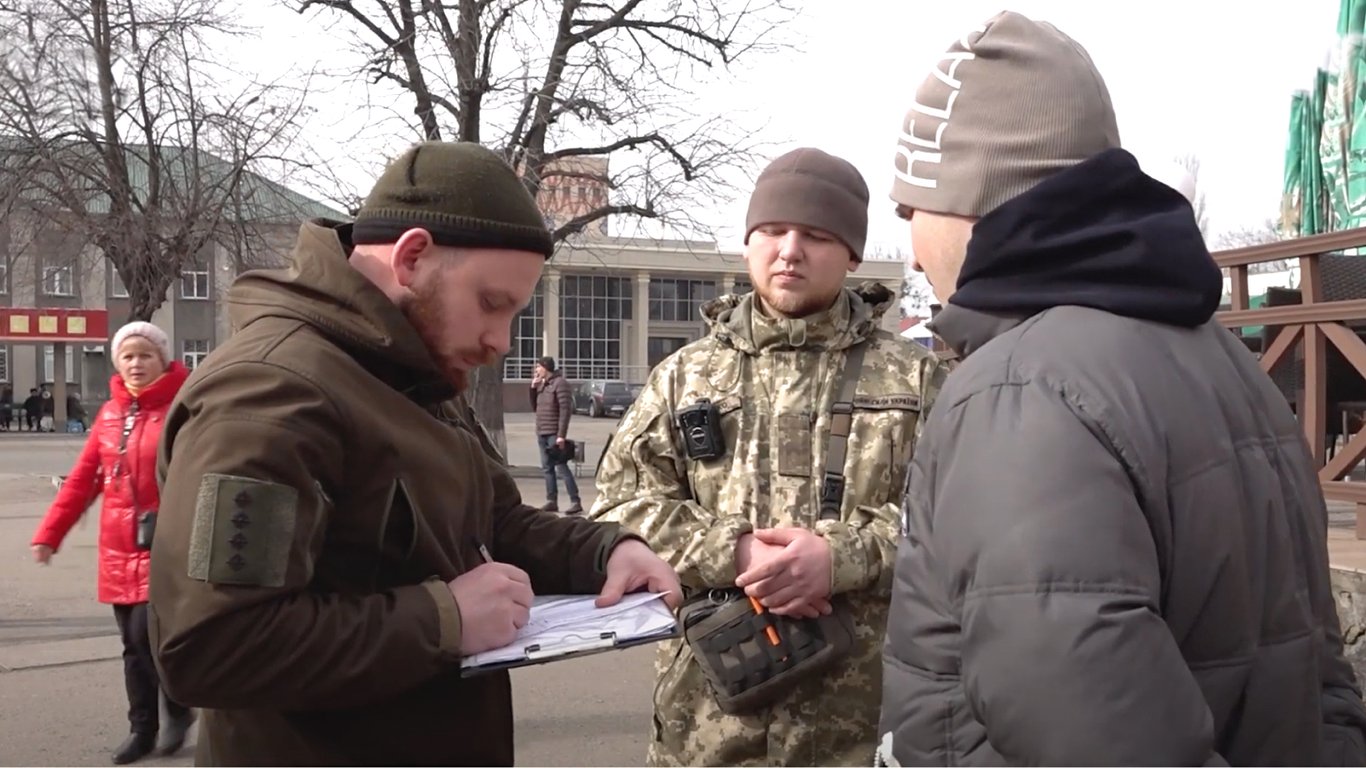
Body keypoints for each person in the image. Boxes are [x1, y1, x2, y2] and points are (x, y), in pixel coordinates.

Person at [875, 11, 1366, 766]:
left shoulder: (1021, 387)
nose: (911, 237)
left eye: (912, 206)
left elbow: (1087, 730)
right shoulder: (1224, 358)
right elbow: (1318, 669)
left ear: (971, 196)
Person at [147, 140, 681, 766]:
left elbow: (493, 522)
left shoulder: (413, 371)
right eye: (490, 303)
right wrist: (443, 620)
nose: (499, 342)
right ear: (412, 257)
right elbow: (214, 646)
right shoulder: (271, 394)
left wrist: (604, 549)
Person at [591, 147, 946, 766]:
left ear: (852, 253)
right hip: (708, 724)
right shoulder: (685, 377)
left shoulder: (915, 379)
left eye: (815, 235)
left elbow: (960, 520)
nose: (789, 250)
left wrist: (844, 558)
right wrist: (736, 552)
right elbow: (620, 509)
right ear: (748, 241)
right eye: (773, 231)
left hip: (867, 723)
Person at [31, 321, 195, 764]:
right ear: (117, 363)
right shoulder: (110, 415)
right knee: (133, 645)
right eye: (128, 356)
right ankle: (143, 729)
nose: (137, 364)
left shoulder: (184, 409)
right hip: (119, 547)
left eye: (145, 355)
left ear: (163, 360)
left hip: (167, 544)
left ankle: (177, 709)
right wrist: (49, 535)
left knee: (151, 639)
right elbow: (83, 481)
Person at [530, 355, 582, 513]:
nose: (536, 370)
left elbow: (565, 411)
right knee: (547, 468)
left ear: (545, 368)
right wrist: (533, 388)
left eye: (538, 367)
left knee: (561, 467)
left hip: (554, 432)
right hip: (541, 431)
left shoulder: (560, 384)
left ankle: (575, 501)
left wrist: (561, 435)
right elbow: (535, 407)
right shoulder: (541, 385)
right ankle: (551, 500)